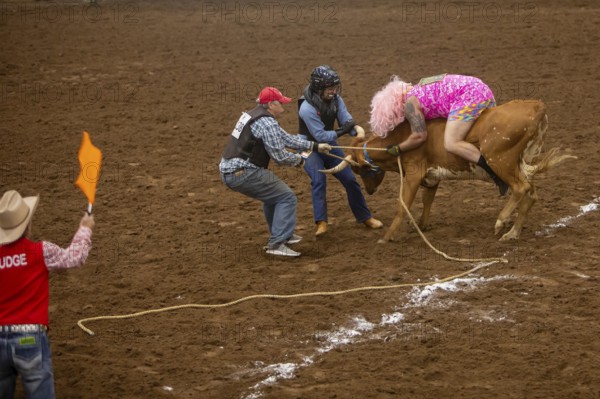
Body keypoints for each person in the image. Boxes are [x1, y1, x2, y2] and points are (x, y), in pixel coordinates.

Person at [0, 190, 94, 399]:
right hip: (29, 338)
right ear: (27, 224)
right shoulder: (40, 251)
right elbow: (75, 257)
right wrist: (84, 229)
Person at [219, 86, 332, 257]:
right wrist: (300, 159)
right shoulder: (267, 123)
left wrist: (315, 146)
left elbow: (284, 137)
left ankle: (280, 233)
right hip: (243, 171)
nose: (283, 106)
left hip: (231, 169)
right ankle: (278, 242)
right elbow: (279, 156)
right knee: (286, 197)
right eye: (280, 102)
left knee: (273, 197)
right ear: (271, 104)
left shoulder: (253, 115)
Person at [374, 73, 509, 196]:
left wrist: (398, 148)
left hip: (469, 97)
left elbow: (419, 136)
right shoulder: (419, 89)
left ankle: (495, 173)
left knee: (451, 143)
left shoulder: (409, 104)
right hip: (482, 89)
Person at [298, 65, 383, 236]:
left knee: (350, 180)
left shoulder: (337, 100)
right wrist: (345, 130)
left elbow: (346, 120)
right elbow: (321, 135)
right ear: (319, 88)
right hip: (311, 148)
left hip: (330, 145)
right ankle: (321, 222)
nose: (334, 91)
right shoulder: (306, 108)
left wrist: (354, 130)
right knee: (318, 180)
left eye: (335, 87)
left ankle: (364, 216)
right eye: (330, 88)